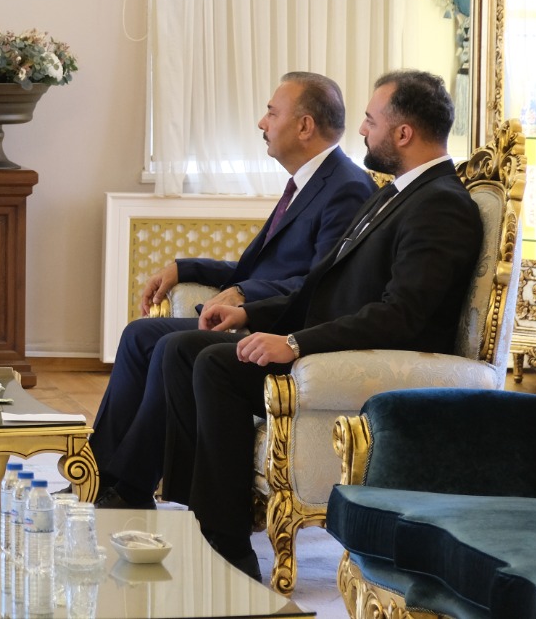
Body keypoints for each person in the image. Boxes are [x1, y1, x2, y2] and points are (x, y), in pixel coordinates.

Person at [160, 70, 483, 580]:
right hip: (331, 343)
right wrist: (251, 313)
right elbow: (322, 285)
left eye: (371, 121)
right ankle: (201, 514)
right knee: (185, 348)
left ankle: (227, 548)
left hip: (365, 362)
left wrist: (294, 343)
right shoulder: (396, 193)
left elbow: (401, 316)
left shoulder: (441, 204)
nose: (362, 131)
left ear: (403, 133)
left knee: (216, 366)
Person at [88, 72, 374, 509]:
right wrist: (185, 267)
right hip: (261, 310)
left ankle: (129, 487)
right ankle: (99, 474)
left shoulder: (346, 188)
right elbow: (256, 267)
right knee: (139, 334)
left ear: (304, 126)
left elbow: (320, 285)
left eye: (272, 112)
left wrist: (245, 294)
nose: (262, 122)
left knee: (163, 343)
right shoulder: (309, 181)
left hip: (280, 324)